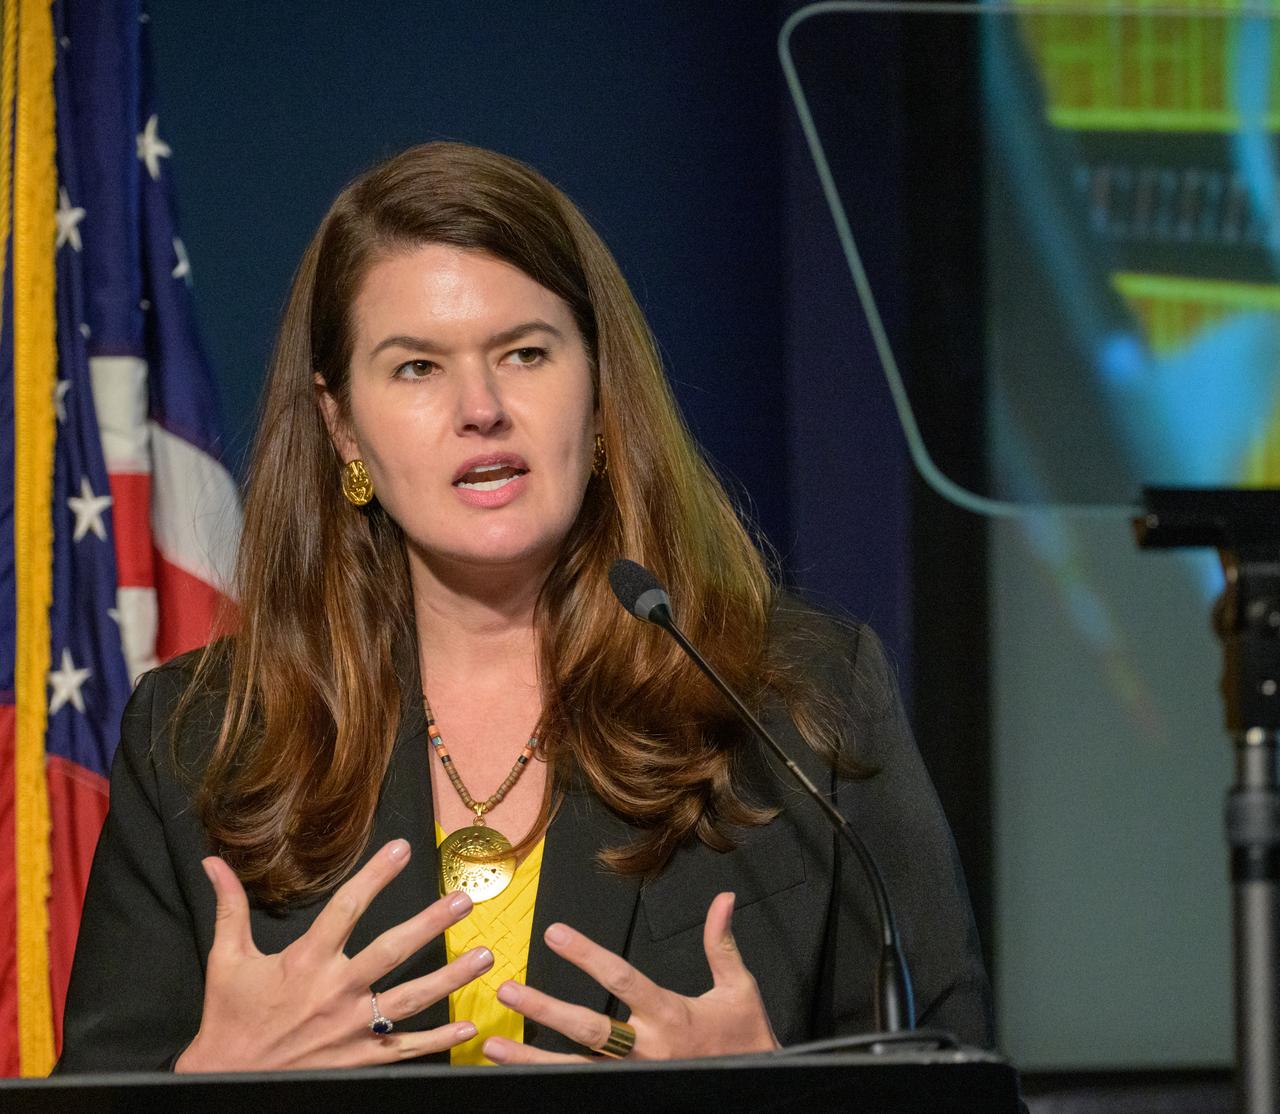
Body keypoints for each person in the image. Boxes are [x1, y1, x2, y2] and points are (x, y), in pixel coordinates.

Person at [56, 142, 993, 1073]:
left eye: (526, 352)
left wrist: (783, 1100)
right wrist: (205, 1089)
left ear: (597, 394)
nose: (482, 407)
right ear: (342, 423)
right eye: (416, 368)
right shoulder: (200, 740)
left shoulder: (795, 702)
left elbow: (954, 1073)